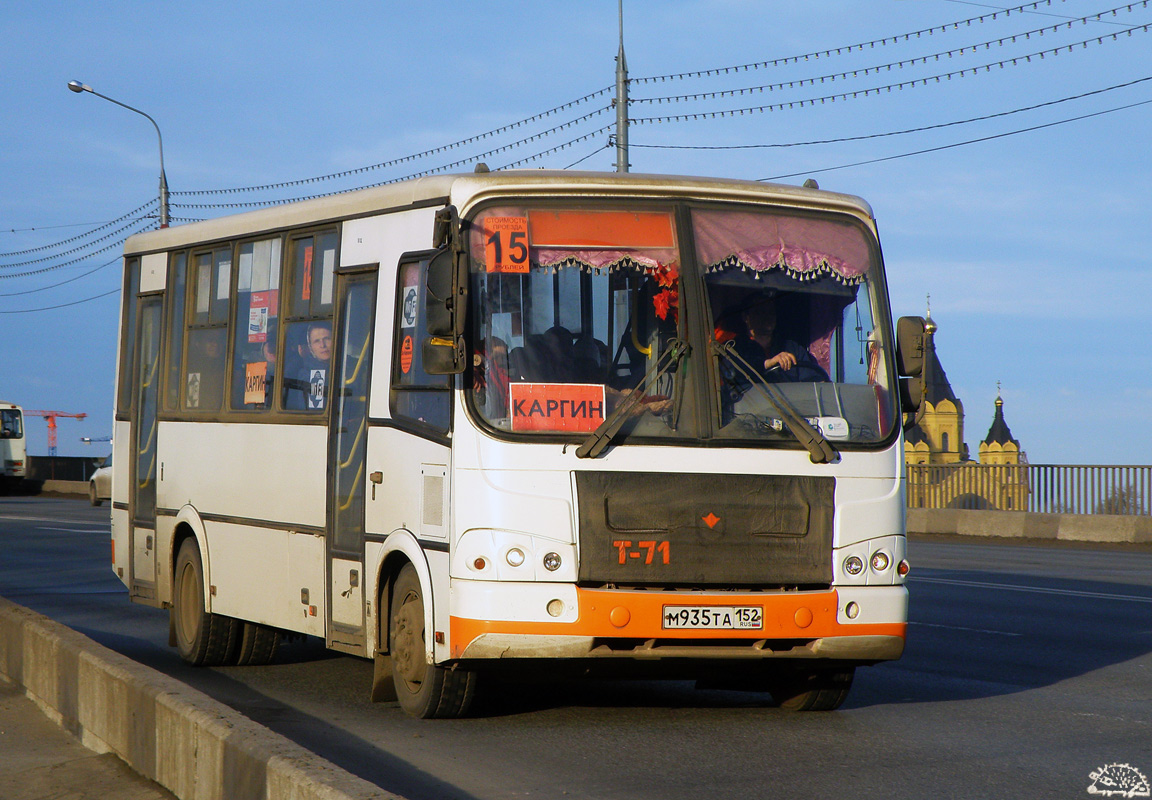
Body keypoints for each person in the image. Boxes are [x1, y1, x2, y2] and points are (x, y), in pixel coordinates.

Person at [732, 298, 829, 384]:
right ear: (745, 317)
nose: (767, 316)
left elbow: (812, 380)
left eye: (771, 312)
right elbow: (735, 376)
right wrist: (767, 364)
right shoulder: (735, 348)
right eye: (760, 312)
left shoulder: (793, 349)